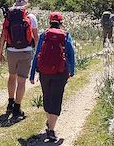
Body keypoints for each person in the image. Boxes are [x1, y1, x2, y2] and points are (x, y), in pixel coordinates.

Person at [30, 12, 75, 142]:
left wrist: (32, 74)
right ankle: (51, 129)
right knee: (57, 98)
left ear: (50, 21)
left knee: (47, 96)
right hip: (60, 72)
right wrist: (72, 71)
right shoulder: (66, 35)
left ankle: (49, 123)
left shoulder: (44, 35)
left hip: (44, 71)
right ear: (61, 22)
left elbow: (37, 54)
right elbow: (71, 54)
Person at [0, 0, 39, 117]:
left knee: (11, 77)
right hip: (26, 51)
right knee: (21, 81)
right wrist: (37, 52)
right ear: (26, 4)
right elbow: (36, 37)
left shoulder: (9, 16)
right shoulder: (31, 17)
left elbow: (3, 36)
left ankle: (10, 103)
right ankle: (17, 107)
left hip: (11, 50)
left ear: (15, 3)